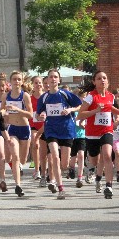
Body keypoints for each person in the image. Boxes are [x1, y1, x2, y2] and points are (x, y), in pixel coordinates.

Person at [77, 71, 119, 199]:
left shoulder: (110, 96)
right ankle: (93, 170)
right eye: (99, 78)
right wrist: (96, 110)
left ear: (107, 81)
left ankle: (108, 186)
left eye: (104, 78)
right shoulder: (91, 97)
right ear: (94, 82)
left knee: (107, 155)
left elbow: (110, 108)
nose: (102, 80)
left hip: (107, 130)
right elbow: (80, 114)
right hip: (92, 133)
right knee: (95, 160)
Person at [37, 69, 83, 199]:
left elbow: (80, 106)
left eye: (55, 77)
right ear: (47, 80)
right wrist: (41, 116)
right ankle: (60, 188)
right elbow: (38, 114)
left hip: (66, 130)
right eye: (50, 77)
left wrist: (70, 109)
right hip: (51, 130)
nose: (53, 79)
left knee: (64, 164)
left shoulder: (65, 94)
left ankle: (67, 169)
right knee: (54, 157)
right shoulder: (44, 97)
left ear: (59, 80)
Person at [1, 71, 33, 197]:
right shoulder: (6, 96)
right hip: (12, 128)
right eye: (14, 79)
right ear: (10, 81)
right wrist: (3, 113)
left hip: (24, 128)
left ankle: (19, 168)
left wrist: (17, 110)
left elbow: (30, 114)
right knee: (15, 156)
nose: (17, 81)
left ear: (22, 81)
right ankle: (18, 185)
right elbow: (2, 109)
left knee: (23, 160)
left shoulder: (25, 96)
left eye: (19, 79)